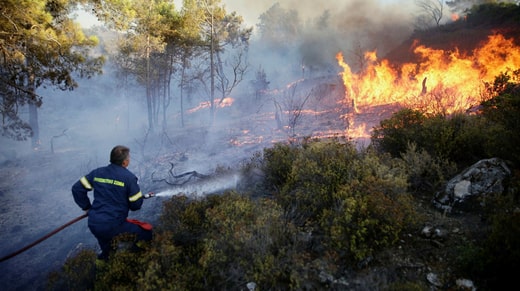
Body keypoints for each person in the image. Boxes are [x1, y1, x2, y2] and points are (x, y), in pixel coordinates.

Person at [72, 145, 152, 260]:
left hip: (95, 224)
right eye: (128, 158)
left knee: (108, 252)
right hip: (114, 224)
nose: (129, 160)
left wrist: (87, 208)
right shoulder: (129, 178)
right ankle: (136, 258)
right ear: (124, 163)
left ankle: (103, 267)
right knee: (146, 233)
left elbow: (77, 188)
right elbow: (136, 206)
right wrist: (133, 199)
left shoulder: (97, 173)